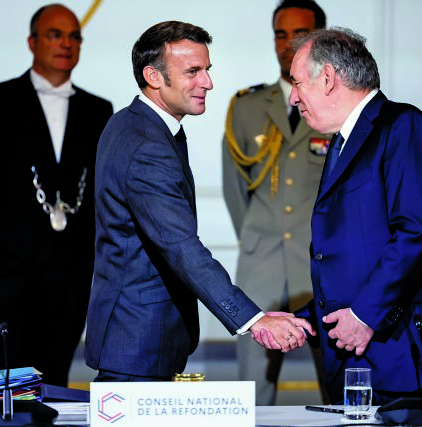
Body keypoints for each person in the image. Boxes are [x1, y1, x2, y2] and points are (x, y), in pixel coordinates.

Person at [84, 20, 314, 383]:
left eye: (207, 70)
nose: (208, 82)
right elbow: (180, 247)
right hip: (139, 341)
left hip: (138, 336)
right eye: (193, 71)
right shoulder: (147, 145)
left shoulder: (130, 123)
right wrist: (253, 319)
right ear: (153, 76)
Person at [288, 28, 422, 405]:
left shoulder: (402, 125)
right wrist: (306, 320)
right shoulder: (342, 142)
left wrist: (364, 316)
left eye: (296, 82)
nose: (293, 96)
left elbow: (418, 233)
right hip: (364, 358)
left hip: (408, 357)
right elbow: (361, 252)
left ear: (327, 78)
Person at [0, 3, 113, 387]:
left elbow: (103, 188)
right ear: (32, 42)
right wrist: (4, 236)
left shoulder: (98, 110)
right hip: (5, 271)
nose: (66, 44)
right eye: (55, 34)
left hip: (70, 271)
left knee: (53, 381)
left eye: (74, 36)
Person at [222, 0, 330, 405]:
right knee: (254, 385)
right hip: (261, 263)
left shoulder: (336, 104)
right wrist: (254, 237)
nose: (288, 44)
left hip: (320, 263)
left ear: (321, 38)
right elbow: (235, 187)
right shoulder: (247, 106)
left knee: (336, 378)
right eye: (280, 34)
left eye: (300, 35)